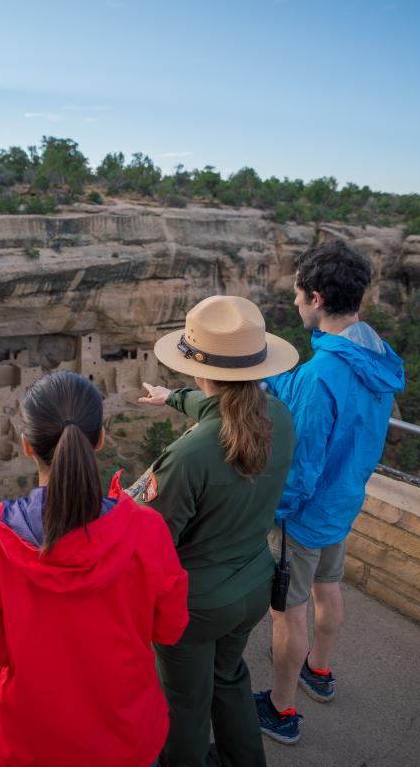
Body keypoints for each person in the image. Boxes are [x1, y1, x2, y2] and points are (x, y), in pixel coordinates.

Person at [0, 370, 189, 767]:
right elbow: (170, 627)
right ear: (100, 439)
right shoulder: (145, 530)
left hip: (33, 741)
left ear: (27, 445)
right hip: (126, 736)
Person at [253, 239, 406, 745]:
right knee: (329, 586)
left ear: (316, 297)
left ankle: (281, 709)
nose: (294, 303)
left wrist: (275, 512)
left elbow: (302, 464)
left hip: (304, 515)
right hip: (344, 503)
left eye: (297, 294)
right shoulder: (376, 358)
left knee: (288, 611)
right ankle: (319, 671)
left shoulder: (322, 376)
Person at [136, 295, 299, 767]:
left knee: (185, 703)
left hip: (197, 604)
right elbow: (225, 412)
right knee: (229, 679)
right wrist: (172, 398)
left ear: (196, 367)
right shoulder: (280, 420)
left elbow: (153, 541)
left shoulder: (190, 457)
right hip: (253, 585)